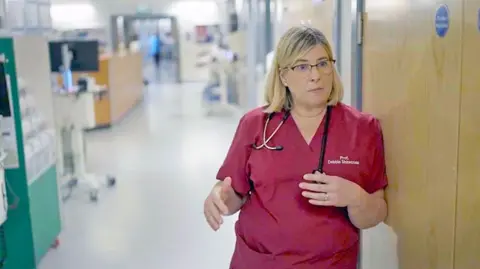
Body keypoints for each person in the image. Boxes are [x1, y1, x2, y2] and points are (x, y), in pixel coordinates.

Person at [203, 26, 388, 269]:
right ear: (283, 76)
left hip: (331, 264)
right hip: (260, 261)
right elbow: (233, 192)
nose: (316, 75)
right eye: (302, 67)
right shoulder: (256, 124)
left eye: (323, 63)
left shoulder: (362, 128)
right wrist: (219, 197)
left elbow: (376, 211)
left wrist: (355, 198)